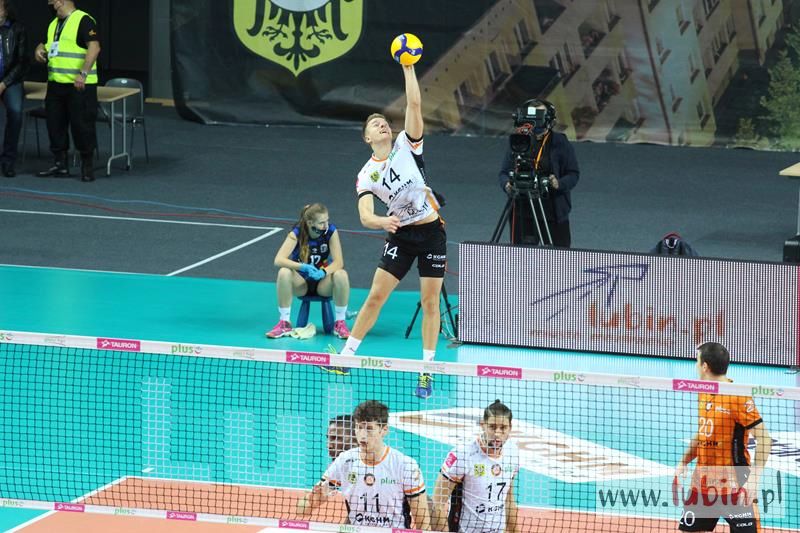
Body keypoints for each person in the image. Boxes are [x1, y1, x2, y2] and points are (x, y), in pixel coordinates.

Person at [334, 61, 446, 399]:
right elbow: (365, 216)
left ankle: (426, 372)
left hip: (431, 234)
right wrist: (383, 222)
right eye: (375, 124)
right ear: (367, 138)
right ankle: (346, 359)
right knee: (375, 297)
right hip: (401, 236)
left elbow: (414, 103)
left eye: (384, 121)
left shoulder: (406, 146)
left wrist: (408, 67)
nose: (382, 124)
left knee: (430, 302)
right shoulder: (366, 174)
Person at [675, 342, 772, 533]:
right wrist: (684, 461)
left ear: (705, 366)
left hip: (735, 484)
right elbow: (703, 433)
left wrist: (754, 479)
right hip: (702, 483)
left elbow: (765, 439)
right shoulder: (703, 391)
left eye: (697, 361)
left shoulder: (737, 396)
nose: (696, 366)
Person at [300, 400, 431, 529]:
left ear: (384, 430)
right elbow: (302, 510)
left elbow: (424, 525)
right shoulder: (344, 461)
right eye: (359, 427)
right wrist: (312, 499)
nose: (362, 435)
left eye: (369, 429)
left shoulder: (405, 466)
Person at [34, 0, 100, 182]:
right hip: (56, 84)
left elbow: (94, 47)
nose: (50, 6)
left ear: (61, 2)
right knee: (55, 125)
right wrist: (39, 49)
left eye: (52, 3)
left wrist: (83, 73)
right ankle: (60, 164)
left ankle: (87, 166)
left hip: (79, 85)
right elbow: (47, 44)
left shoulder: (83, 20)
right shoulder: (53, 24)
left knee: (82, 126)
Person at [497, 99, 579, 247]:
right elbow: (504, 172)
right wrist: (507, 185)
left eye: (539, 116)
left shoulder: (560, 143)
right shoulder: (519, 141)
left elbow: (573, 174)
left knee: (559, 257)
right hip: (523, 210)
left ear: (549, 119)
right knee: (522, 256)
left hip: (553, 210)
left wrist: (559, 183)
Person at [431, 400, 520, 533]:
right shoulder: (463, 454)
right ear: (483, 425)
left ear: (510, 428)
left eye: (503, 428)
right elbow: (437, 503)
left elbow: (509, 500)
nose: (497, 433)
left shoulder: (512, 453)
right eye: (492, 427)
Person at [266, 203, 350, 340]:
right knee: (284, 272)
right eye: (322, 223)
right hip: (301, 284)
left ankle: (340, 323)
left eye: (327, 221)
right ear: (310, 223)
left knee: (341, 274)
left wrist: (323, 272)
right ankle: (284, 323)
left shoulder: (331, 232)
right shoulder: (296, 233)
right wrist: (302, 267)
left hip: (323, 284)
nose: (326, 225)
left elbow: (339, 262)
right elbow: (278, 259)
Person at [0, 0, 28, 178]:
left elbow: (22, 62)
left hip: (11, 80)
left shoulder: (17, 29)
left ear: (6, 11)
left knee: (16, 112)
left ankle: (8, 161)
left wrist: (4, 84)